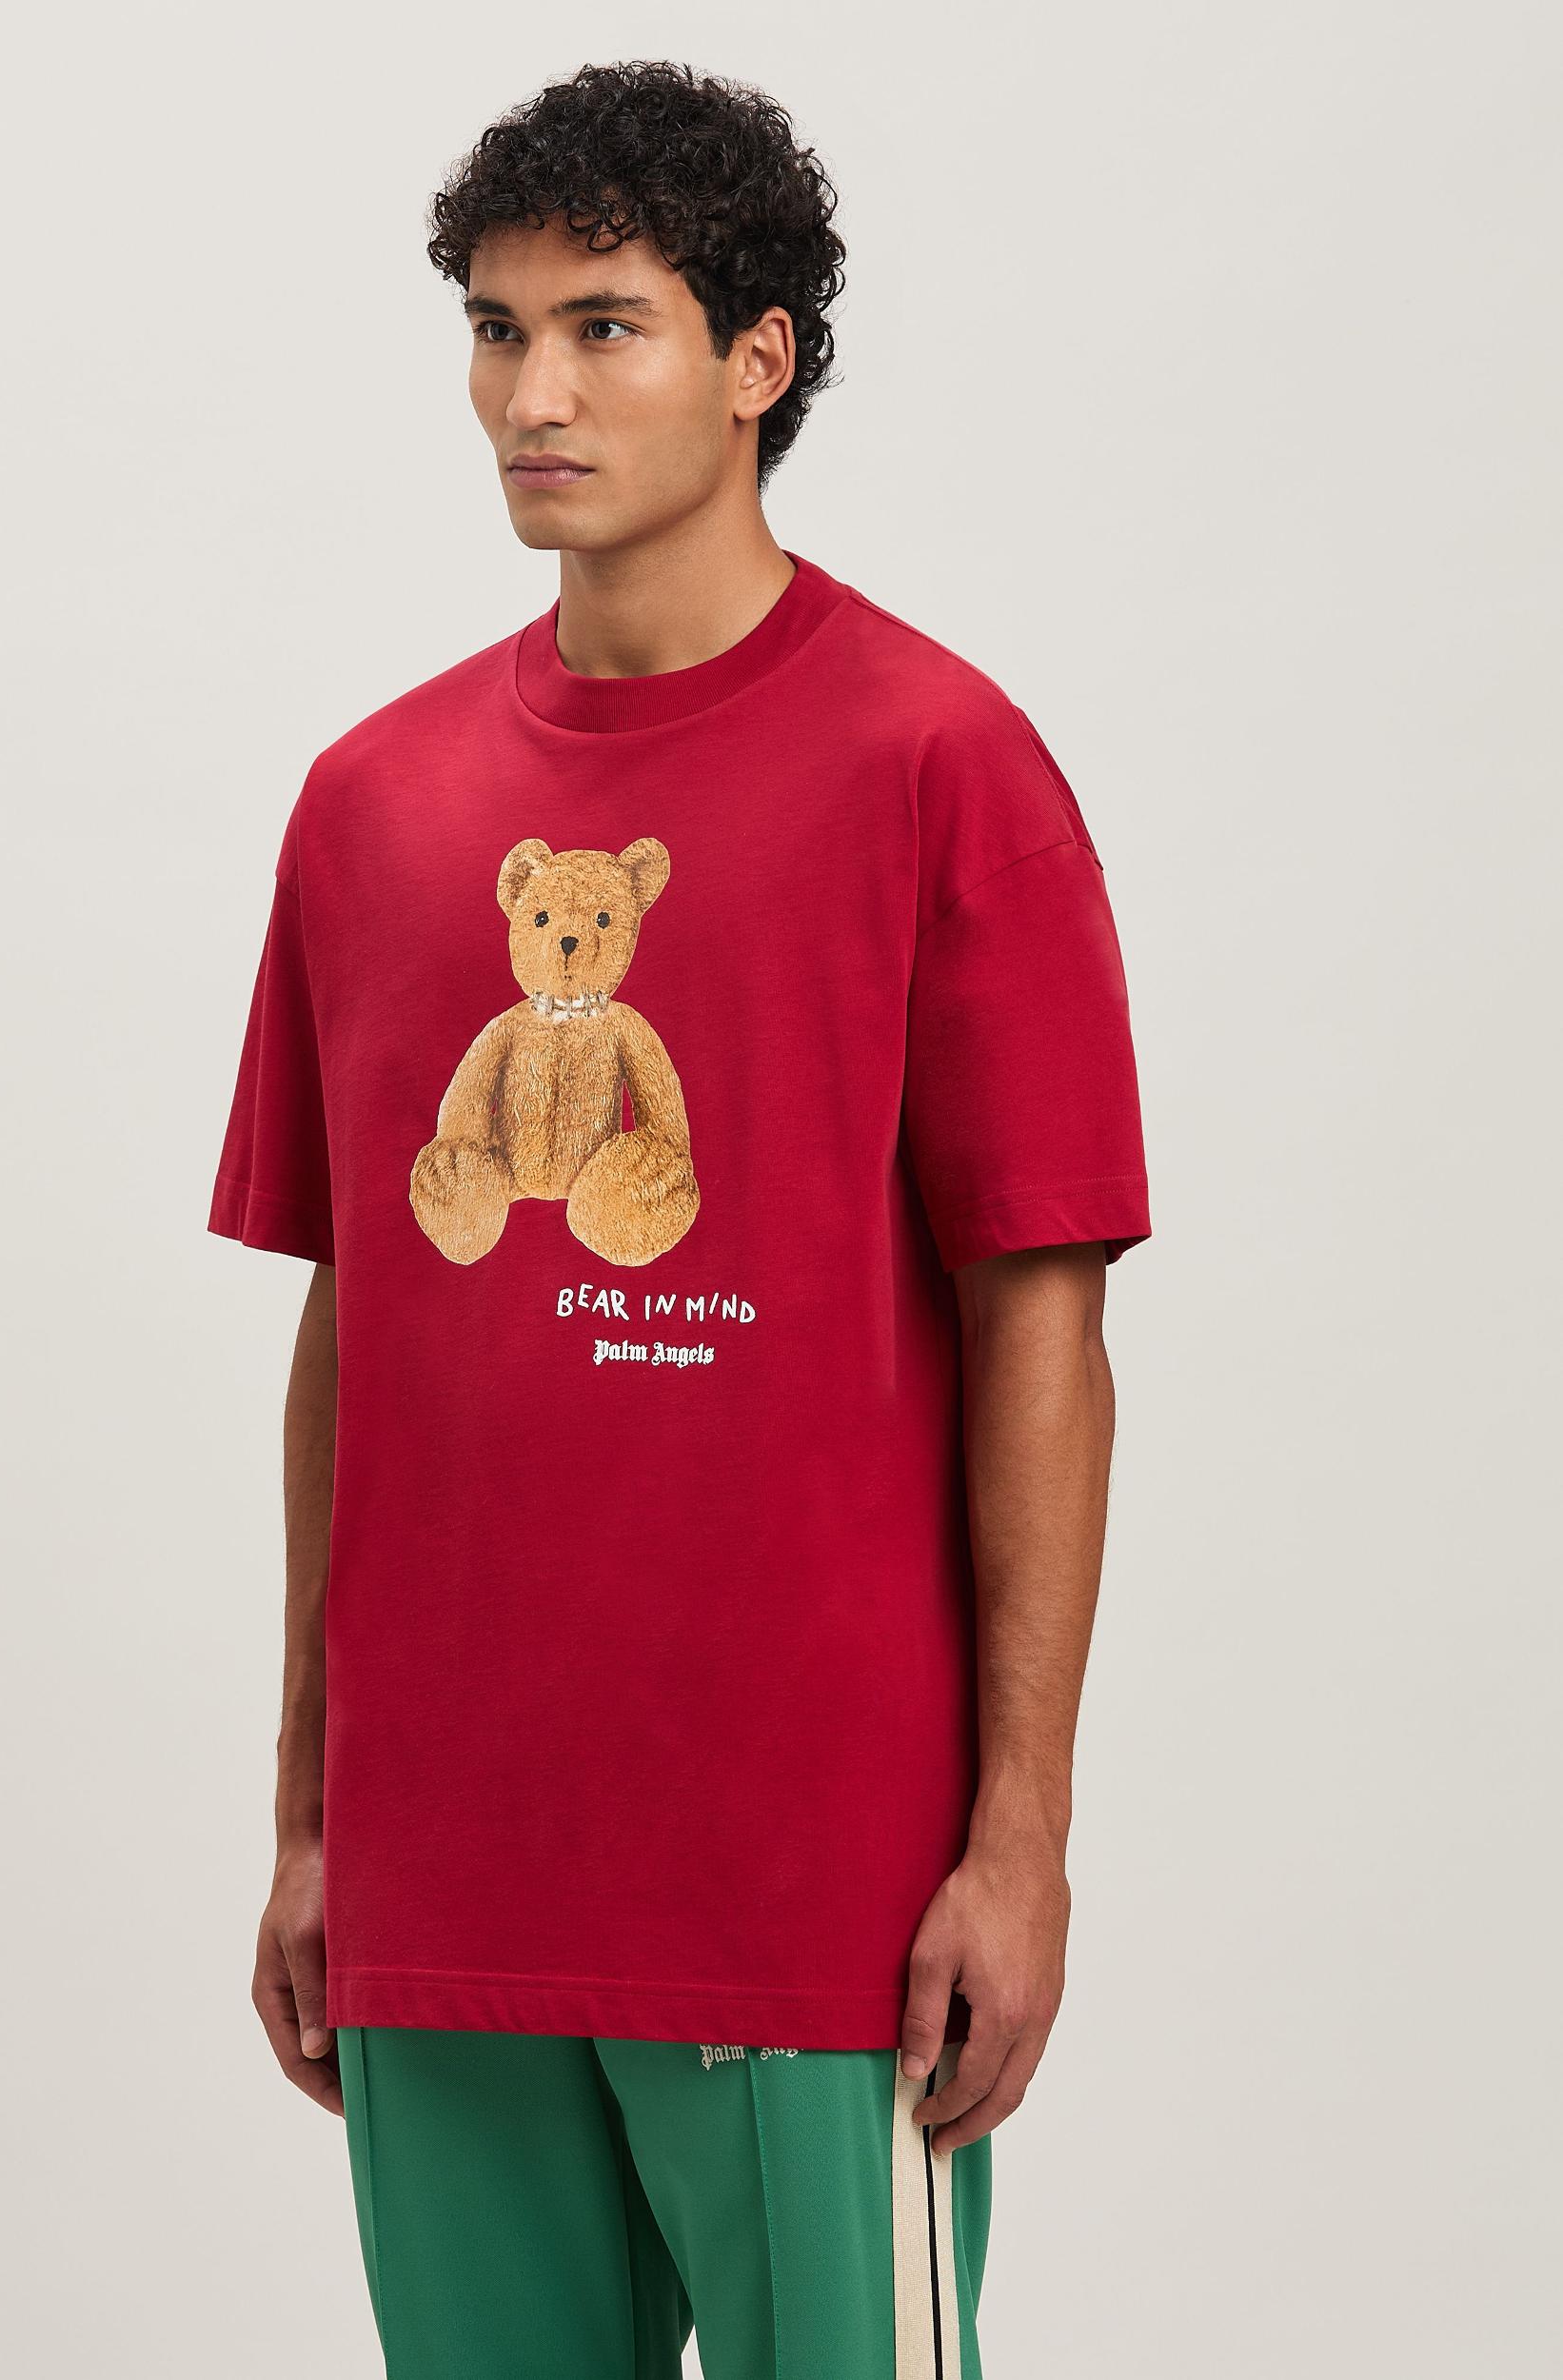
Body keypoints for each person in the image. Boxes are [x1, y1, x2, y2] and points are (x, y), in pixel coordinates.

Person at [208, 59, 1149, 2380]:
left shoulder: (939, 767)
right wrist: (315, 1814)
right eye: (494, 328)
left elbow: (1037, 1324)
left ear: (756, 360)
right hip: (447, 1877)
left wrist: (1016, 1840)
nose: (528, 395)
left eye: (602, 326)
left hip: (808, 1900)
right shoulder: (370, 803)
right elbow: (356, 1327)